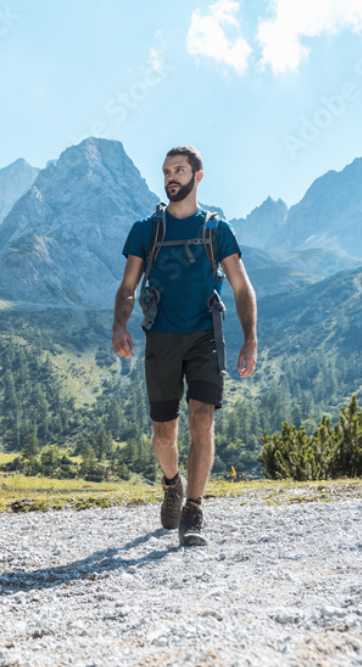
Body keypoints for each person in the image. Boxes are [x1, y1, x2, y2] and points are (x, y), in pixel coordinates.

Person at [112, 145, 257, 547]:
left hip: (205, 335)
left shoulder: (216, 229)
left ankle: (193, 509)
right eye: (166, 171)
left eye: (178, 170)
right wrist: (119, 325)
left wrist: (250, 340)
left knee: (202, 418)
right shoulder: (147, 229)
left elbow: (243, 287)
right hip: (161, 336)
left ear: (198, 176)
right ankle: (172, 483)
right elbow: (128, 286)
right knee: (163, 433)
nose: (170, 177)